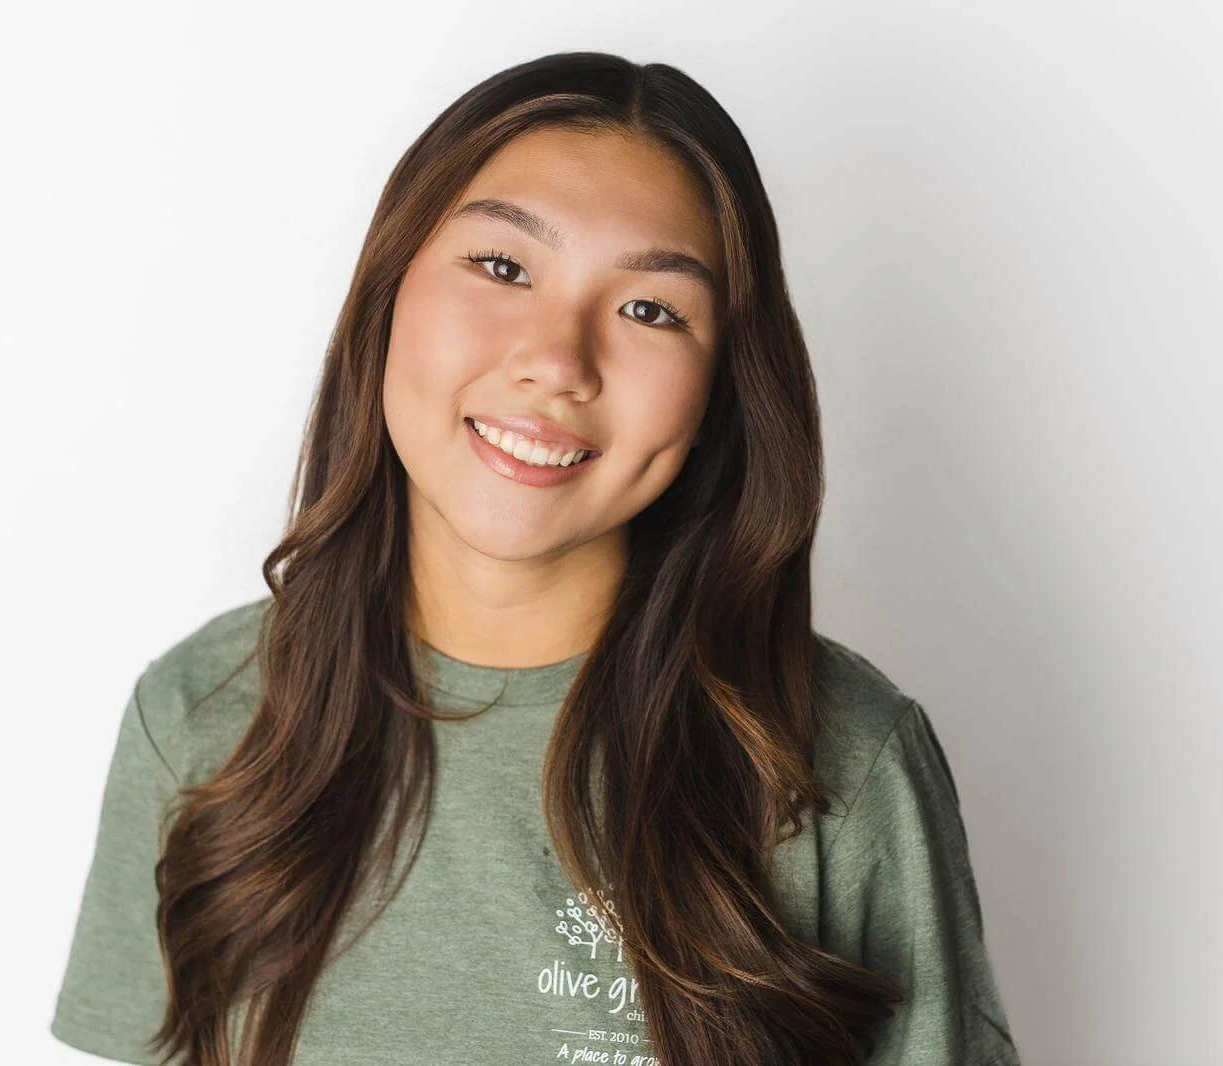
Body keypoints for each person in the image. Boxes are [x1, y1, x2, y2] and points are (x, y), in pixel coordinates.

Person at [49, 51, 1020, 1066]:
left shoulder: (836, 763)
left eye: (650, 310)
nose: (557, 361)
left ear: (721, 387)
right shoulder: (204, 719)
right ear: (387, 292)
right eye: (503, 268)